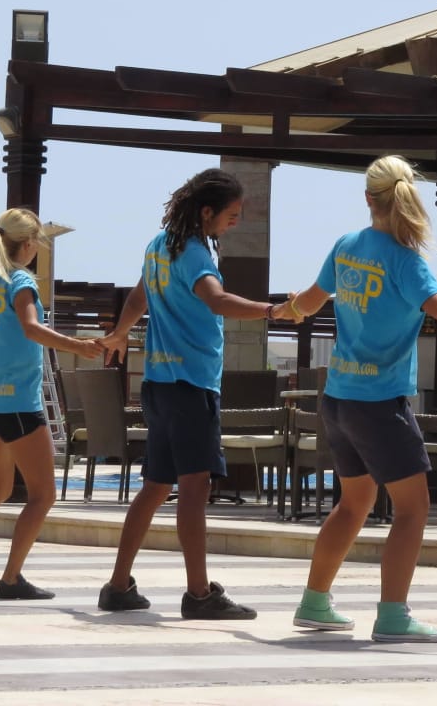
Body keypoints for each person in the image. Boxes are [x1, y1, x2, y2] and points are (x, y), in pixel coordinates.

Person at [283, 155, 437, 643]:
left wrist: (284, 309)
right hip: (379, 402)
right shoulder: (406, 260)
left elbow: (306, 303)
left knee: (353, 504)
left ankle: (314, 603)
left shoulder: (346, 246)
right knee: (413, 509)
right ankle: (393, 616)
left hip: (339, 399)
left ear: (368, 199)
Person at [95, 168, 278, 621]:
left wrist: (120, 332)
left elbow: (138, 298)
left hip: (158, 383)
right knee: (195, 489)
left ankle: (118, 586)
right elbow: (217, 300)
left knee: (156, 487)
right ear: (207, 212)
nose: (235, 221)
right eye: (232, 214)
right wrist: (273, 310)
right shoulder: (195, 253)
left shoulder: (159, 246)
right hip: (192, 386)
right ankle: (199, 594)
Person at [0, 208, 104, 599]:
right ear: (27, 244)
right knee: (43, 495)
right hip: (17, 403)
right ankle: (11, 579)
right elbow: (30, 327)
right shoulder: (21, 281)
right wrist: (78, 346)